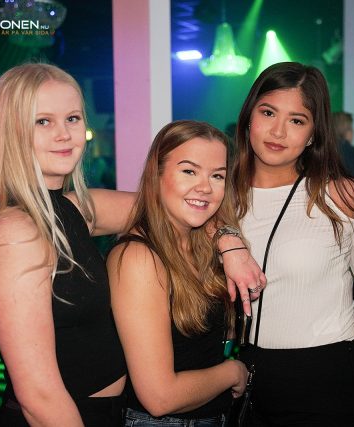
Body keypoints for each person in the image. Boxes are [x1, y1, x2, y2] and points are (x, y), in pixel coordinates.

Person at [0, 63, 135, 426]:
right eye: (43, 121)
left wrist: (228, 240)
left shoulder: (68, 208)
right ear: (11, 132)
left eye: (72, 118)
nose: (64, 134)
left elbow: (170, 209)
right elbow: (39, 397)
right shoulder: (14, 231)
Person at [231, 62, 354, 426]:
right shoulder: (218, 197)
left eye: (297, 120)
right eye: (268, 113)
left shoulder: (342, 196)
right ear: (248, 117)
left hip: (324, 375)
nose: (278, 131)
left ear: (313, 134)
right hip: (241, 373)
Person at [108, 120, 249, 426]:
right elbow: (159, 397)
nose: (205, 187)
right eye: (189, 171)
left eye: (217, 175)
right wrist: (233, 372)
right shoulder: (139, 258)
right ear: (156, 175)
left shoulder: (202, 243)